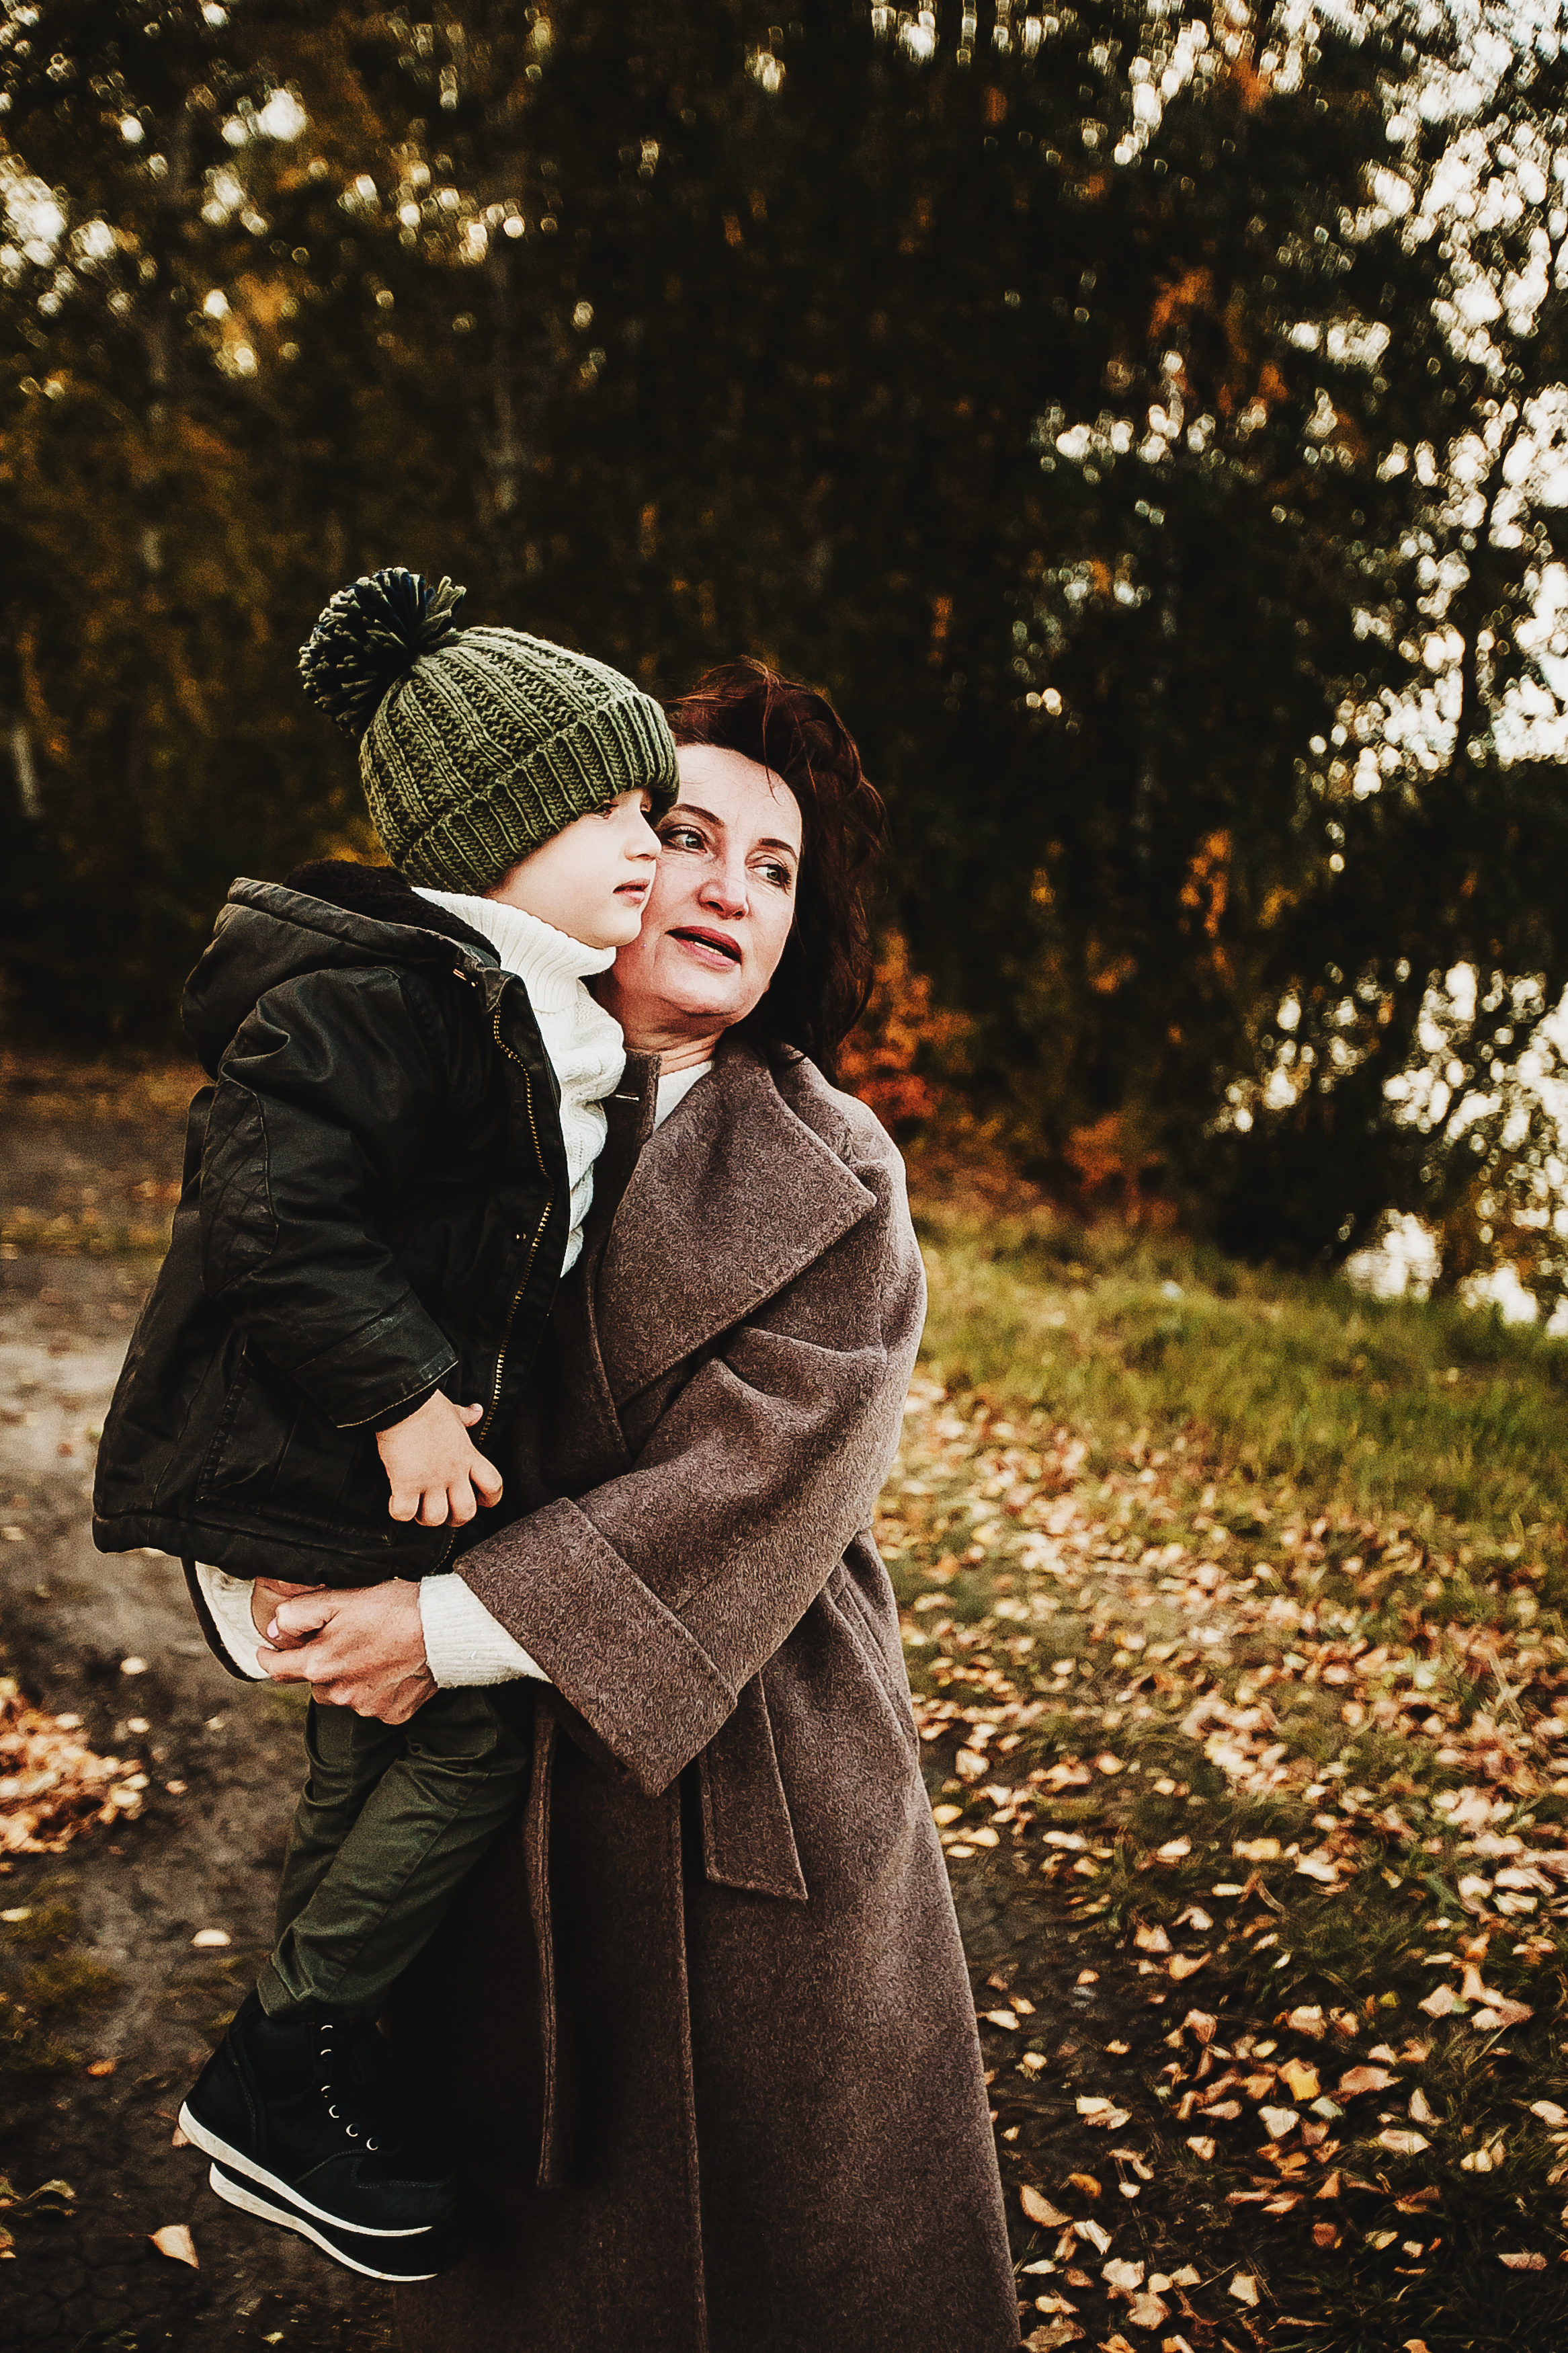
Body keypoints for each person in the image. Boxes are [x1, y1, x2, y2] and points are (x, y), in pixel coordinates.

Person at [254, 661, 1022, 2350]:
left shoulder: (840, 1172)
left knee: (807, 2270)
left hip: (763, 1792)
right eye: (691, 835)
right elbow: (275, 1339)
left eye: (777, 867)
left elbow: (758, 1483)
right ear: (590, 846)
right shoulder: (437, 1092)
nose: (734, 890)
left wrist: (446, 1628)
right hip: (487, 1822)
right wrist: (282, 1597)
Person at [91, 566, 679, 2274]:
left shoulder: (518, 998)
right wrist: (406, 1398)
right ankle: (292, 2046)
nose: (651, 842)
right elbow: (267, 1210)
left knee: (367, 1747)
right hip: (306, 1452)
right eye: (613, 808)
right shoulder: (395, 992)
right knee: (472, 1734)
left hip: (348, 1469)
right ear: (496, 829)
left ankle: (307, 2066)